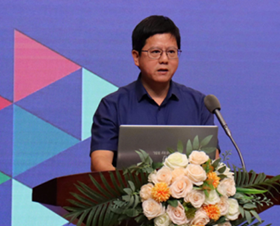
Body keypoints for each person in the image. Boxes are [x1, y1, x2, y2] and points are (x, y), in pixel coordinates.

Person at [90, 15, 215, 172]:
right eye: (155, 52)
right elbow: (100, 162)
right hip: (127, 187)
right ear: (136, 57)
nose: (164, 59)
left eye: (171, 52)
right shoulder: (112, 106)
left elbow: (212, 163)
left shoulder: (200, 104)